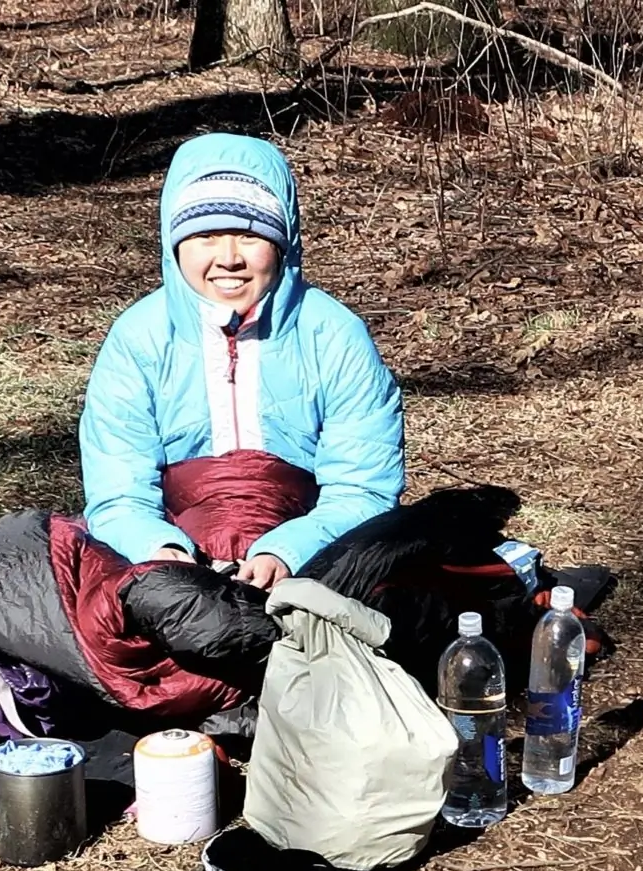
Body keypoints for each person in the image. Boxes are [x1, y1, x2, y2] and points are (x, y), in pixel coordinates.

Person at [78, 133, 405, 589]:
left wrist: (288, 550)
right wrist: (159, 549)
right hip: (174, 551)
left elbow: (363, 487)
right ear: (175, 247)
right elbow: (118, 492)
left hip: (314, 547)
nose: (228, 259)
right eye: (206, 236)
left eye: (250, 235)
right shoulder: (139, 337)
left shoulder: (333, 334)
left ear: (282, 244)